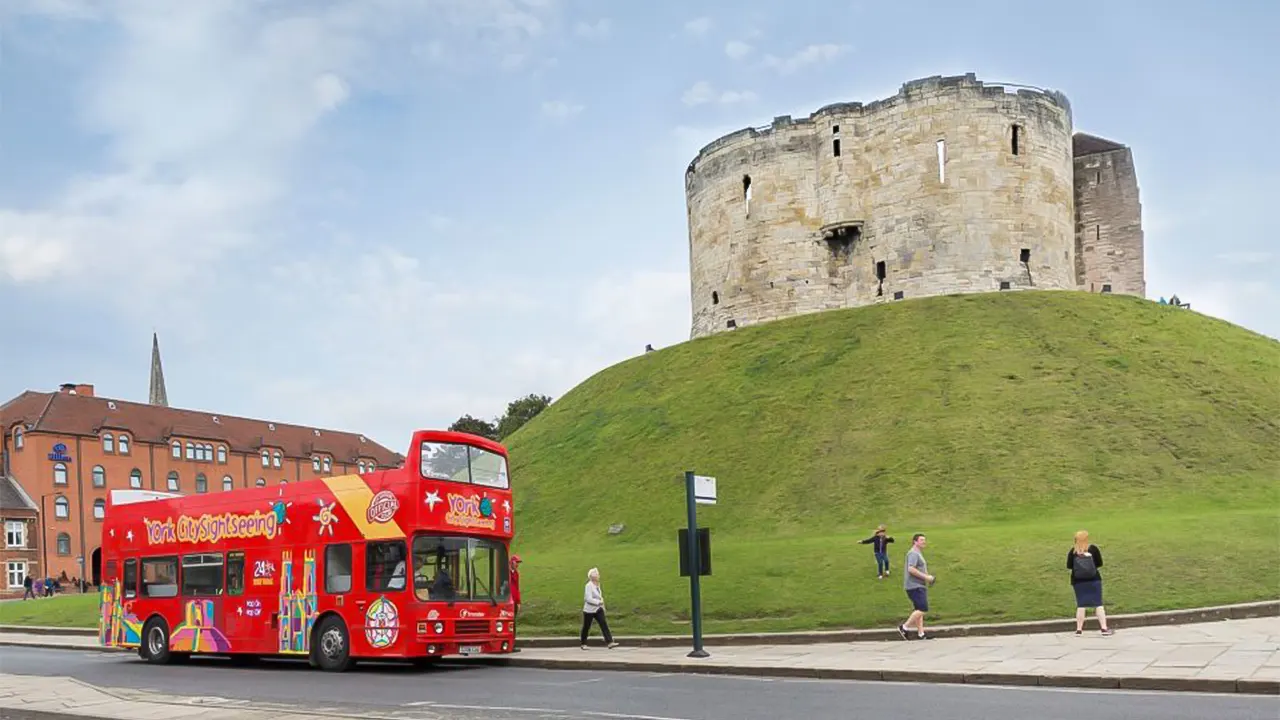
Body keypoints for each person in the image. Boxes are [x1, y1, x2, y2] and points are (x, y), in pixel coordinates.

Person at [1067, 530, 1113, 636]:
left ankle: (1079, 630)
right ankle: (1104, 629)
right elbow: (1099, 563)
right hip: (1094, 580)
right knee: (1098, 604)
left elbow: (1069, 566)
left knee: (1081, 605)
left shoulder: (1073, 552)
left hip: (1078, 581)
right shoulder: (1093, 549)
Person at [897, 533, 935, 640]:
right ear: (915, 542)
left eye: (924, 540)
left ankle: (921, 634)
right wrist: (927, 577)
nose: (924, 542)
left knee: (918, 609)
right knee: (923, 608)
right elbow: (911, 569)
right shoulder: (913, 553)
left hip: (918, 585)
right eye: (922, 540)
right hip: (914, 585)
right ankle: (904, 627)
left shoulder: (917, 553)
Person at [580, 567, 619, 650]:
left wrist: (602, 605)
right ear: (592, 576)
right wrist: (598, 602)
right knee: (586, 626)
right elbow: (587, 598)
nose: (598, 575)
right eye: (597, 574)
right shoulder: (588, 586)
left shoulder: (597, 585)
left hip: (598, 609)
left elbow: (599, 596)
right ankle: (583, 644)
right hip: (589, 610)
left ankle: (610, 642)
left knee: (603, 624)